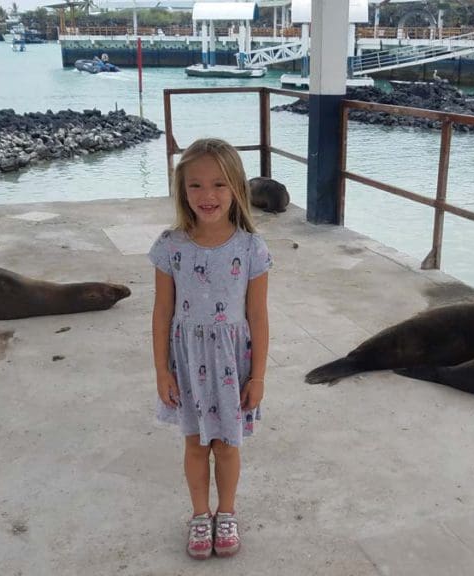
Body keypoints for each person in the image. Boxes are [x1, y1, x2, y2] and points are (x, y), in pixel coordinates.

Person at [149, 138, 271, 560]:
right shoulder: (170, 245)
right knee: (196, 444)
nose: (208, 195)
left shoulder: (251, 248)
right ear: (181, 189)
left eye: (219, 184)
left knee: (228, 445)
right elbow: (162, 312)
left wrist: (257, 376)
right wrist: (162, 371)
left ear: (237, 187)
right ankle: (200, 515)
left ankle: (227, 512)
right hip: (187, 360)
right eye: (195, 185)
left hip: (232, 362)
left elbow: (258, 316)